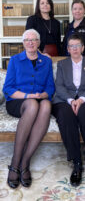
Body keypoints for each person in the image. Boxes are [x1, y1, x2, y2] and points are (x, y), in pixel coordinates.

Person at [3, 29, 55, 189]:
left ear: (39, 43)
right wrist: (28, 96)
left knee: (46, 104)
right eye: (27, 40)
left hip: (39, 100)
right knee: (32, 104)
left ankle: (25, 162)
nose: (31, 42)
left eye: (34, 40)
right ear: (23, 43)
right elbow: (8, 88)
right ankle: (15, 162)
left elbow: (50, 87)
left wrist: (42, 94)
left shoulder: (46, 61)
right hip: (18, 101)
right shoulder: (15, 60)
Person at [52, 33, 85, 187]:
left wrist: (80, 100)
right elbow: (59, 86)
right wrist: (70, 100)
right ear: (67, 48)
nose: (74, 49)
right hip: (64, 100)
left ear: (83, 48)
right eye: (71, 46)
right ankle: (77, 163)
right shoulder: (62, 64)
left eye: (77, 46)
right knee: (65, 116)